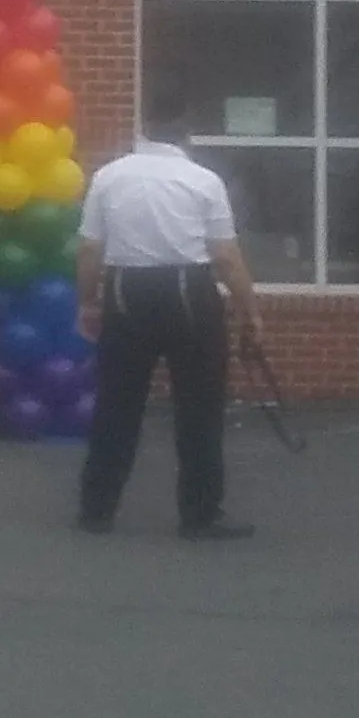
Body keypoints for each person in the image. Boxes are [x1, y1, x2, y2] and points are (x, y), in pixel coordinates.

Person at [76, 80, 263, 539]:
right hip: (187, 292)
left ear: (146, 124)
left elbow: (88, 250)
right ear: (186, 127)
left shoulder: (109, 175)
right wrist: (249, 312)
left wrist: (88, 302)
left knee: (117, 406)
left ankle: (97, 508)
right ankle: (199, 513)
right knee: (199, 409)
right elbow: (225, 257)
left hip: (125, 290)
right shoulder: (203, 181)